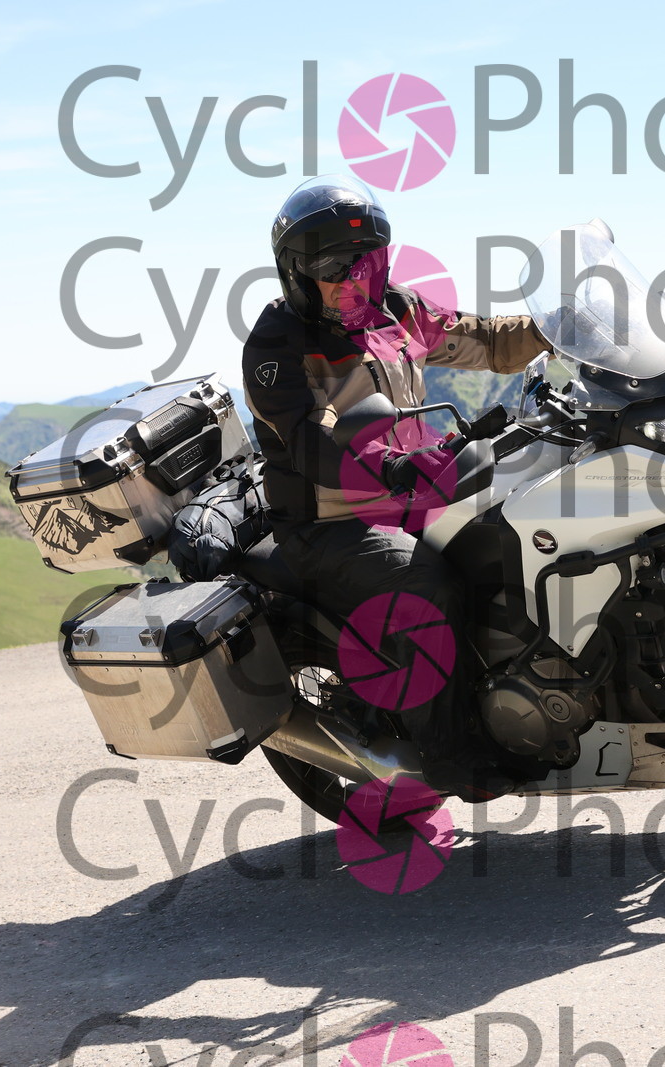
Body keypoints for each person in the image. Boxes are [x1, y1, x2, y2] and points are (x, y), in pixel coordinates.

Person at [242, 174, 549, 801]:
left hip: (412, 496)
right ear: (297, 273)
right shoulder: (277, 346)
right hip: (330, 524)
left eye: (366, 262)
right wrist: (389, 465)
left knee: (522, 531)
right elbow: (310, 442)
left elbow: (488, 342)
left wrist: (562, 325)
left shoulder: (398, 310)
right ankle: (450, 754)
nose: (353, 279)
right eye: (334, 268)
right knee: (425, 583)